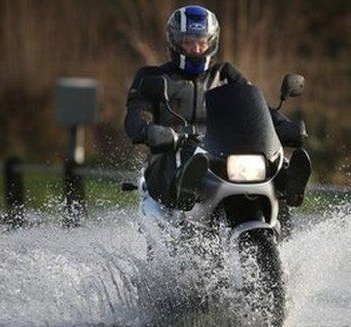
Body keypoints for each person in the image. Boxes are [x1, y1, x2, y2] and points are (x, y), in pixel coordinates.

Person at [124, 5, 310, 211]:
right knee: (186, 156)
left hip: (222, 153)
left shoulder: (225, 74)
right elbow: (136, 116)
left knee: (266, 158)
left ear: (211, 43)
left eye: (201, 43)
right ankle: (185, 192)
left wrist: (283, 125)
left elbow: (257, 109)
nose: (196, 49)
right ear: (174, 42)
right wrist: (149, 130)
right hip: (172, 154)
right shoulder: (153, 77)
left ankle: (287, 182)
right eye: (188, 42)